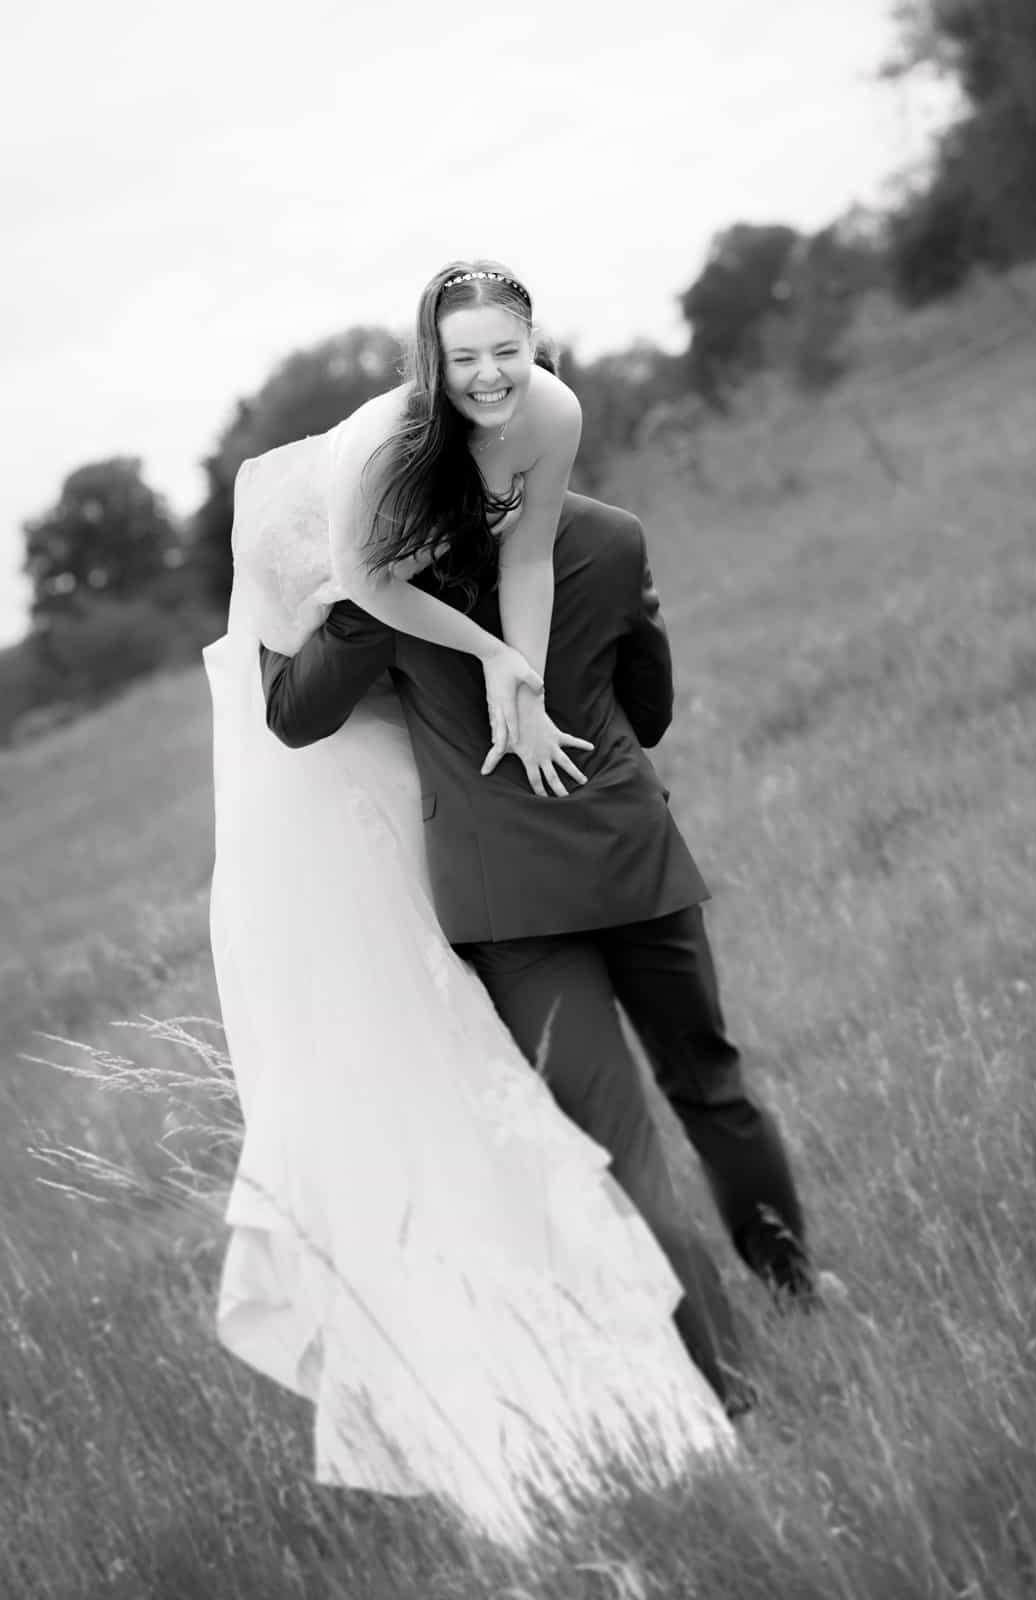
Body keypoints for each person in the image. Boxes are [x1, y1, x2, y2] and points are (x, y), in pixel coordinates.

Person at [205, 261, 740, 1549]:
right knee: (573, 1130)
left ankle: (703, 1368)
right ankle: (688, 1356)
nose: (490, 378)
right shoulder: (386, 571)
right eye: (464, 360)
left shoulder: (507, 497)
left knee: (569, 1140)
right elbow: (303, 705)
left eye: (507, 352)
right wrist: (357, 606)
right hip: (445, 877)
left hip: (476, 878)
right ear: (429, 383)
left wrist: (492, 662)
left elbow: (300, 708)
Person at [259, 265, 817, 1378]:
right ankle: (799, 1288)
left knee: (619, 1156)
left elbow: (291, 716)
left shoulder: (374, 590)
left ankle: (730, 1384)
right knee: (713, 1083)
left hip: (510, 904)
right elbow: (648, 709)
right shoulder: (611, 539)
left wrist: (334, 616)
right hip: (627, 849)